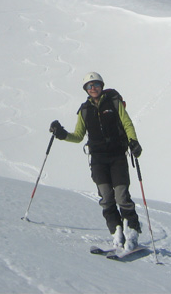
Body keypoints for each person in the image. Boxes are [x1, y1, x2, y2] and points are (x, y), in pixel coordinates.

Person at [50, 71, 144, 250]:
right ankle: (116, 231)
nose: (93, 88)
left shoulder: (114, 103)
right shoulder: (84, 111)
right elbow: (78, 136)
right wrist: (62, 134)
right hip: (98, 159)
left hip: (117, 156)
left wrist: (133, 142)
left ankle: (132, 231)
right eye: (89, 86)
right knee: (106, 197)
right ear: (86, 89)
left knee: (121, 196)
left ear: (102, 86)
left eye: (96, 85)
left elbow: (127, 123)